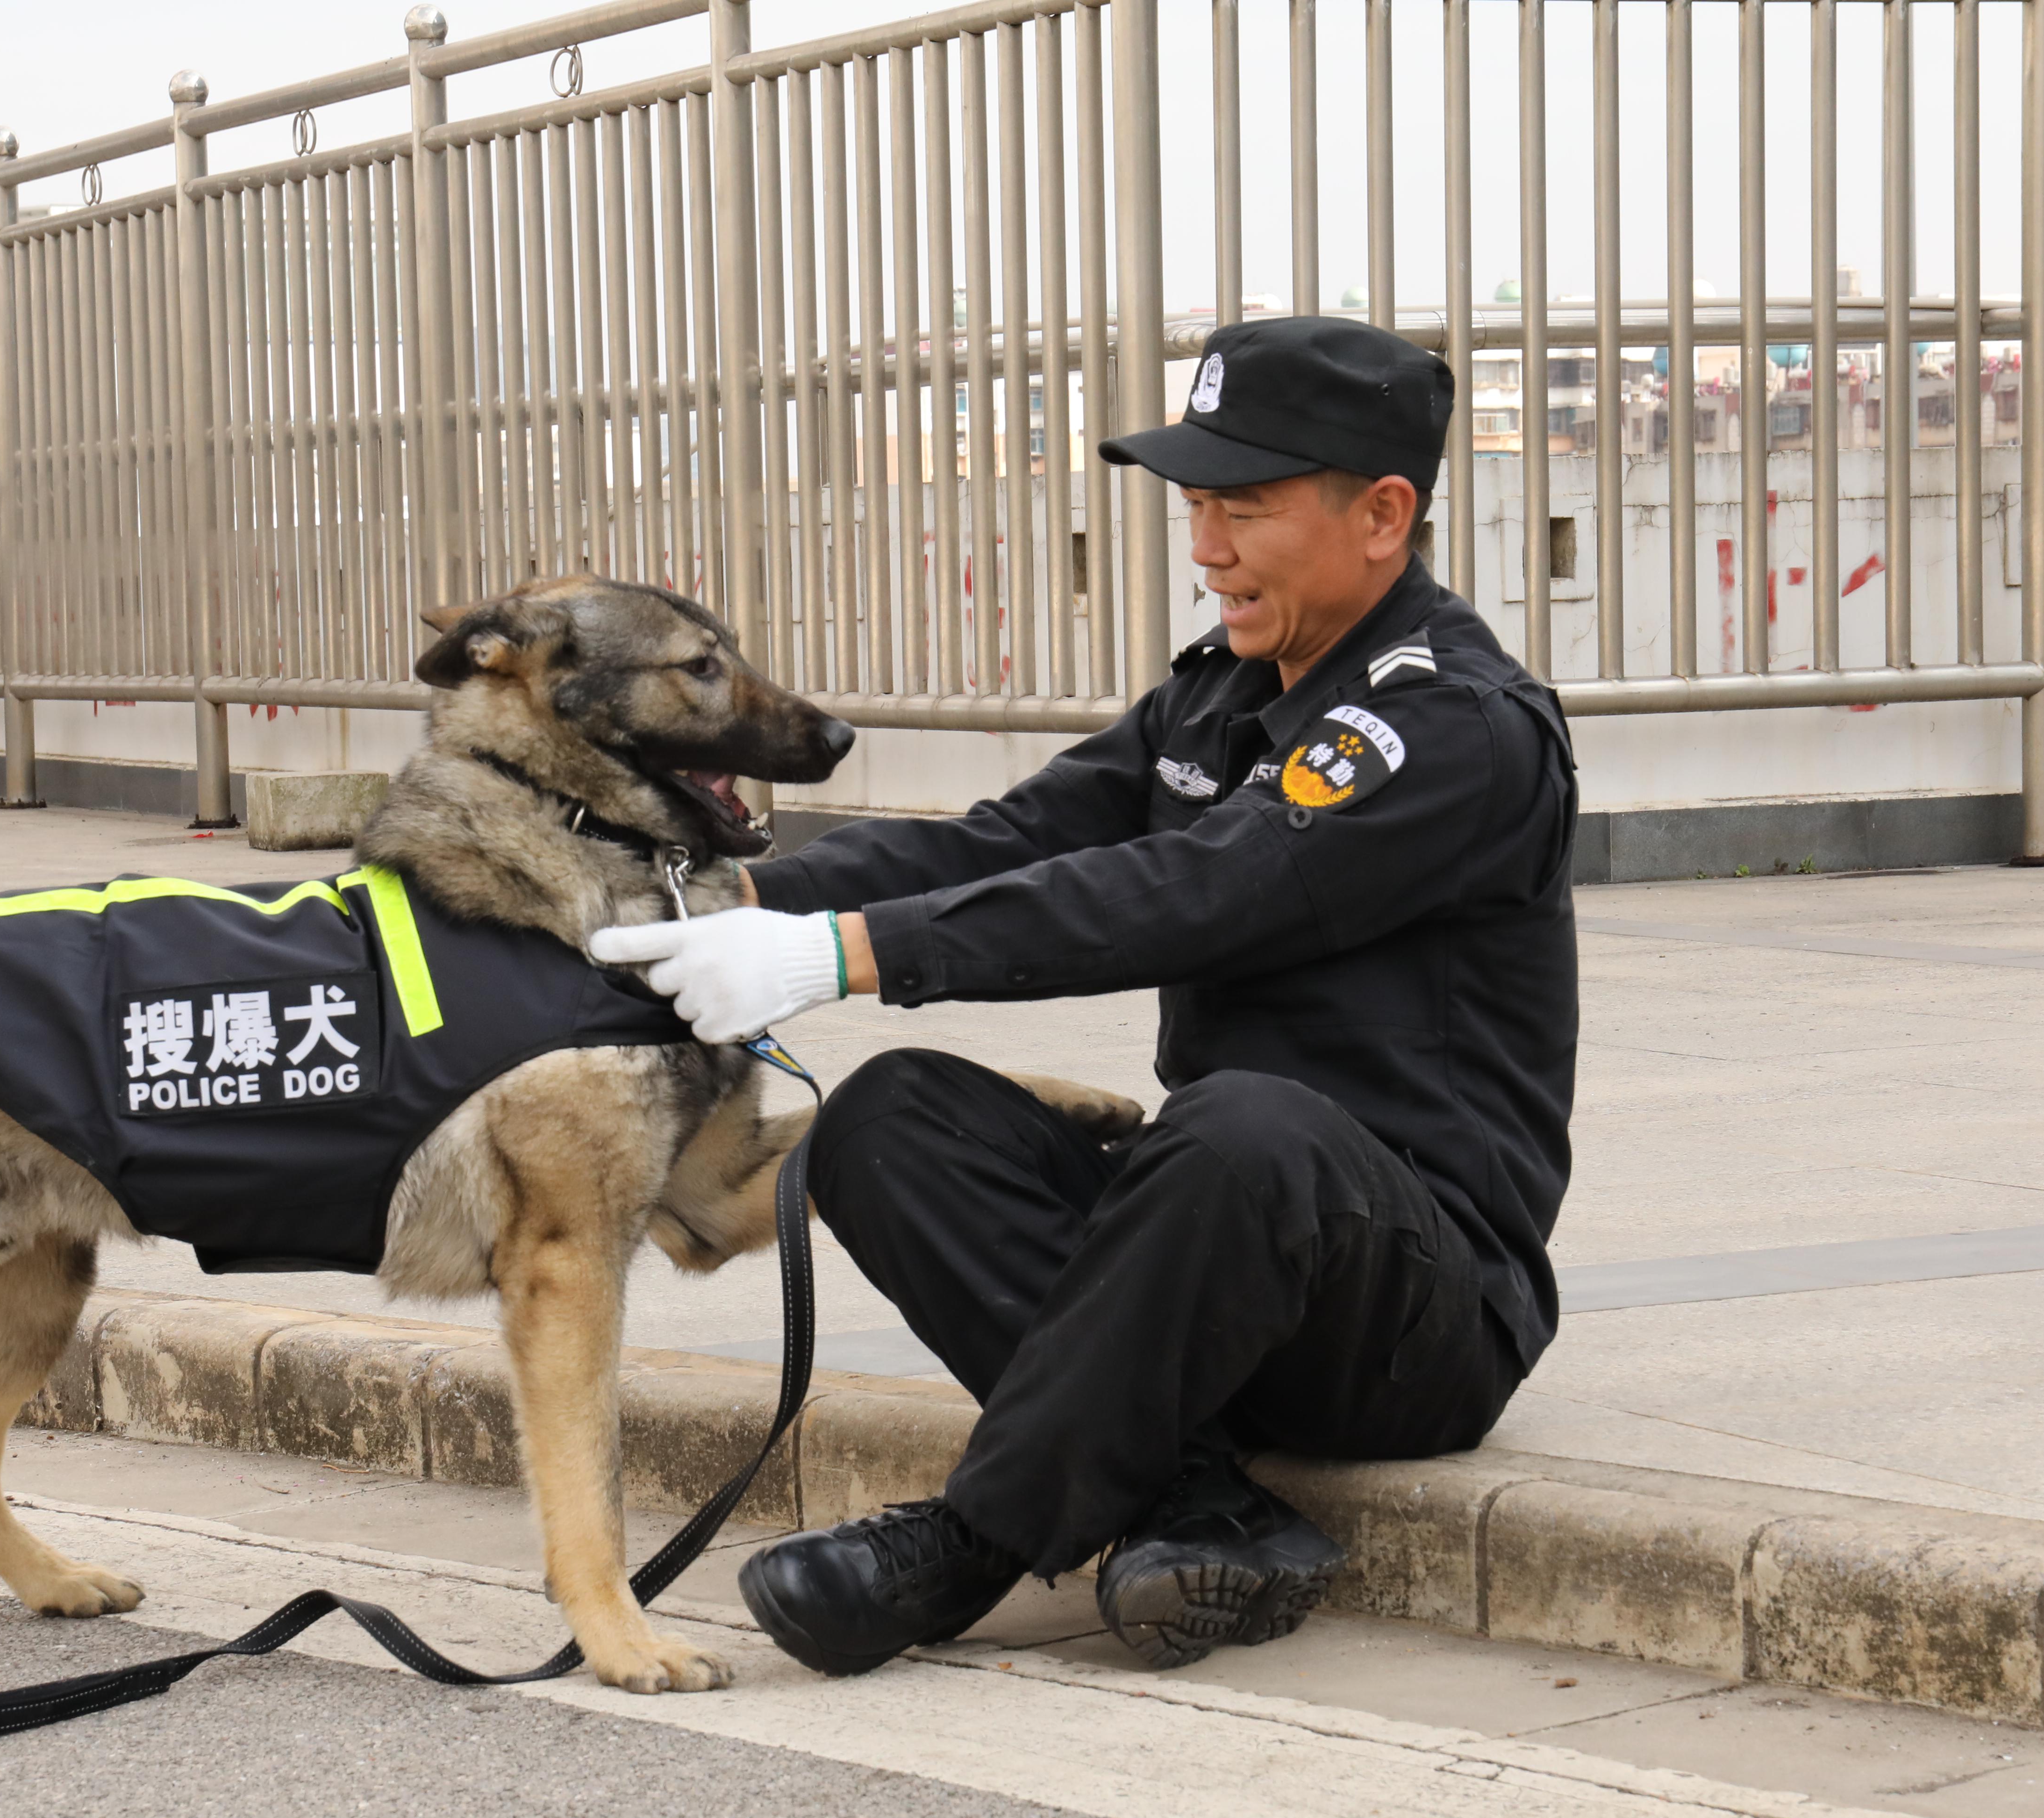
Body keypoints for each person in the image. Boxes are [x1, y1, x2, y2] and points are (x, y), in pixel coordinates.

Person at [591, 314, 1578, 1677]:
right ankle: (1193, 1507)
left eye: (1245, 507)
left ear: (1383, 515)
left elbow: (1200, 892)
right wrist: (739, 904)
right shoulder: (1222, 696)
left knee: (1243, 1128)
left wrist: (843, 959)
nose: (1206, 546)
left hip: (1413, 1311)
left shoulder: (1448, 727)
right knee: (888, 1121)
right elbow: (1013, 842)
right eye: (1195, 505)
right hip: (1216, 1246)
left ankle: (970, 1547)